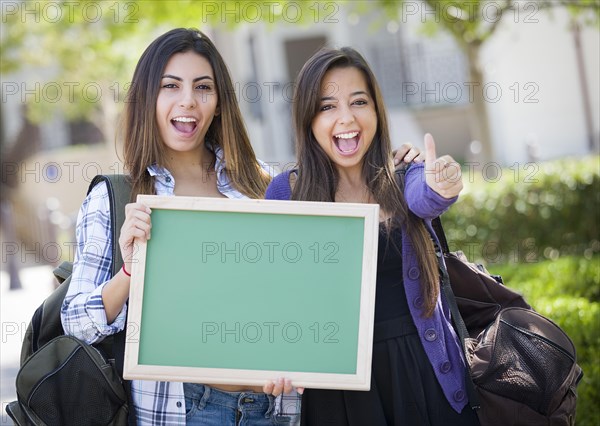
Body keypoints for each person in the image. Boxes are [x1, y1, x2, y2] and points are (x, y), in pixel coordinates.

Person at [60, 28, 422, 425]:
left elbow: (310, 290)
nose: (188, 102)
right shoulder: (116, 198)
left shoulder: (263, 185)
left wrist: (397, 170)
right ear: (148, 98)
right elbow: (77, 323)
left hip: (274, 410)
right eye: (170, 86)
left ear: (218, 103)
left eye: (203, 87)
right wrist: (131, 270)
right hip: (182, 410)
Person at [264, 47, 480, 426]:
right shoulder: (286, 191)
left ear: (377, 110)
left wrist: (441, 184)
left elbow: (425, 197)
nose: (346, 118)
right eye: (327, 106)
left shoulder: (404, 173)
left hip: (426, 369)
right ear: (308, 120)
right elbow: (276, 295)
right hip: (339, 390)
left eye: (358, 101)